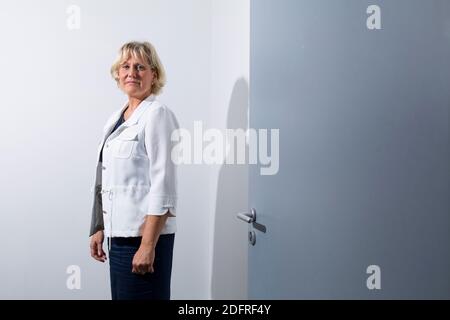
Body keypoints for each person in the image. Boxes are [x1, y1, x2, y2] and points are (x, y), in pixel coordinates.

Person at [89, 41, 179, 300]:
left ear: (154, 74)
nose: (132, 72)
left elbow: (165, 186)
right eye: (125, 66)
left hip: (143, 240)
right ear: (117, 73)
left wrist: (148, 246)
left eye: (140, 67)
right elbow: (103, 175)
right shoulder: (116, 118)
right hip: (117, 238)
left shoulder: (158, 114)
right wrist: (98, 226)